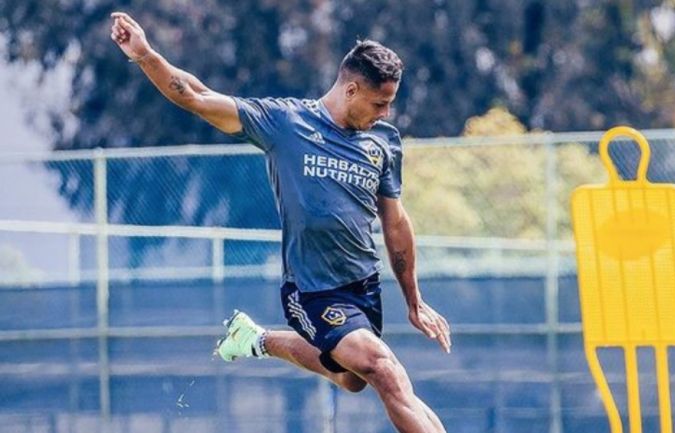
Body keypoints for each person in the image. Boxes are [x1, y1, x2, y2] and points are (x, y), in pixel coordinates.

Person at [110, 11, 451, 433]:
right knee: (384, 369)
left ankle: (255, 340)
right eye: (379, 103)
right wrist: (145, 54)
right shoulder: (285, 123)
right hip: (312, 290)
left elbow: (395, 222)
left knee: (353, 379)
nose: (385, 113)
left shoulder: (383, 142)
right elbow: (196, 96)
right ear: (350, 89)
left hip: (362, 287)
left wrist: (413, 300)